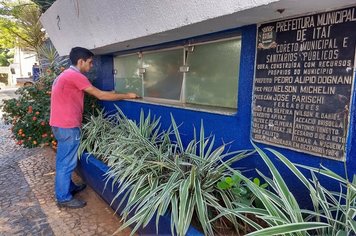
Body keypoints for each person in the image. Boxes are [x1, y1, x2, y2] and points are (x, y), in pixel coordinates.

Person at [50, 47, 139, 209]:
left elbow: (97, 92)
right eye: (90, 62)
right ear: (80, 61)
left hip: (59, 124)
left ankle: (68, 188)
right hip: (67, 126)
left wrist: (112, 91)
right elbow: (100, 95)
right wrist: (128, 95)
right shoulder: (75, 76)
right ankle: (63, 197)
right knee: (66, 163)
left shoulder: (65, 75)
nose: (91, 66)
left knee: (64, 159)